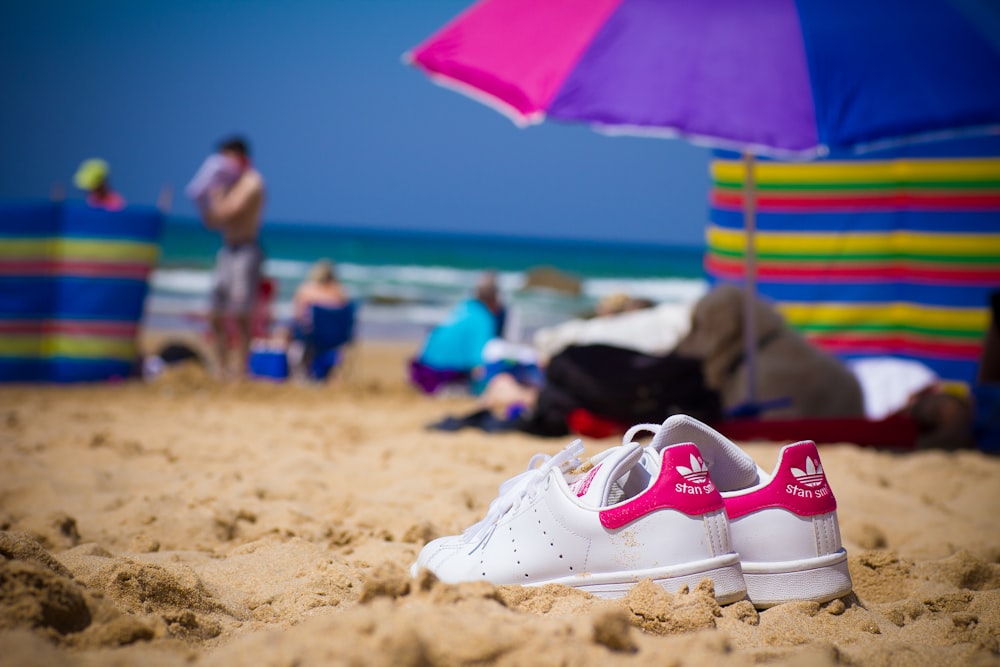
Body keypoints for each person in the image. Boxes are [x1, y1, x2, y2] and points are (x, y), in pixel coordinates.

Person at [195, 135, 266, 378]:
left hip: (246, 249)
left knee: (241, 312)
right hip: (227, 249)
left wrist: (212, 193)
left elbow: (228, 211)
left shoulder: (251, 182)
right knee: (215, 311)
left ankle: (241, 369)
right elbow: (212, 222)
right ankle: (222, 366)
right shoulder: (228, 184)